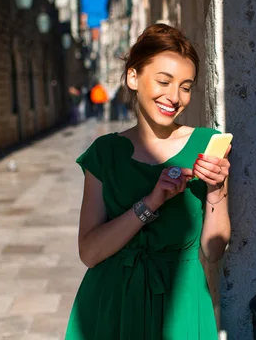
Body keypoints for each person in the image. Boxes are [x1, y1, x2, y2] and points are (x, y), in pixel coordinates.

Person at [65, 24, 232, 339]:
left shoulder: (207, 144)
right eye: (164, 81)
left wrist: (217, 189)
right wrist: (150, 203)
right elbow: (89, 253)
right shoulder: (105, 153)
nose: (175, 96)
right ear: (133, 77)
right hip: (111, 302)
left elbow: (214, 250)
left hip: (181, 300)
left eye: (186, 86)